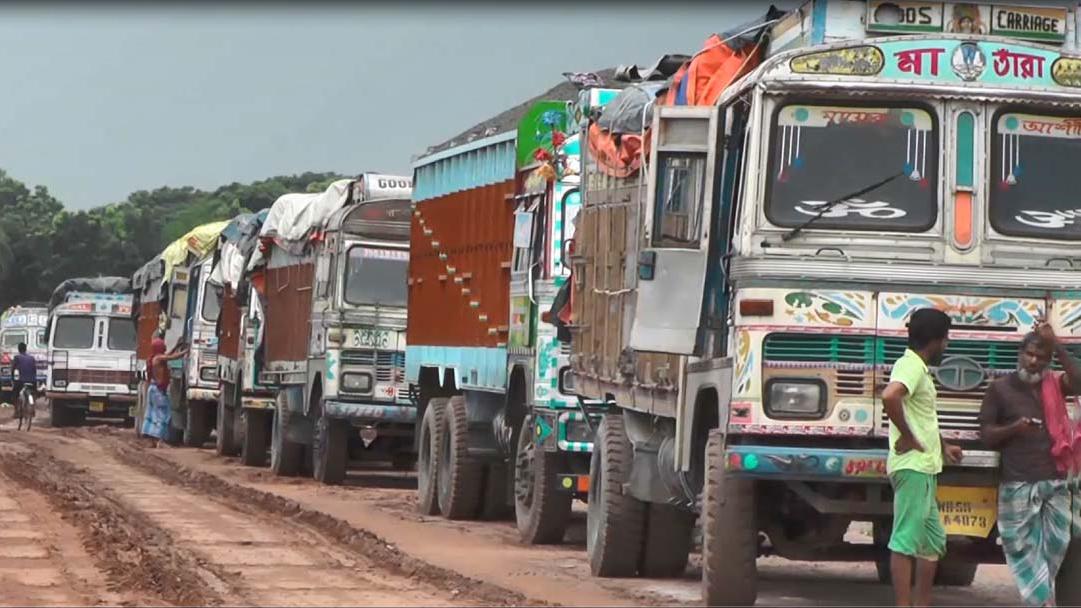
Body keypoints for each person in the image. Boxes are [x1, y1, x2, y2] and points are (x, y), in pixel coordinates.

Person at [980, 322, 1081, 607]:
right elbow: (986, 434)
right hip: (1017, 484)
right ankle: (1043, 603)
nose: (1033, 361)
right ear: (1020, 353)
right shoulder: (1000, 389)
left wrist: (1057, 344)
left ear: (1048, 362)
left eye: (1041, 357)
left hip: (1055, 485)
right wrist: (1014, 429)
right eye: (1029, 354)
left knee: (1052, 555)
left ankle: (1041, 602)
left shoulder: (1055, 386)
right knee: (1024, 554)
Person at [882, 307, 964, 607]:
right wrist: (905, 435)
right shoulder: (911, 366)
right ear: (936, 340)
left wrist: (943, 446)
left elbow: (923, 417)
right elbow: (890, 396)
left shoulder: (917, 368)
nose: (947, 345)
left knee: (932, 543)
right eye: (946, 339)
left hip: (926, 466)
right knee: (905, 541)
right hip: (912, 467)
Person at [141, 341, 186, 448]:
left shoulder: (155, 358)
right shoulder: (158, 359)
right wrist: (186, 351)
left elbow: (168, 355)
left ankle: (152, 440)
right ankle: (160, 441)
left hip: (153, 389)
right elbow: (173, 357)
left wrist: (176, 345)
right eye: (163, 346)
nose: (165, 347)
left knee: (153, 414)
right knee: (164, 415)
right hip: (158, 391)